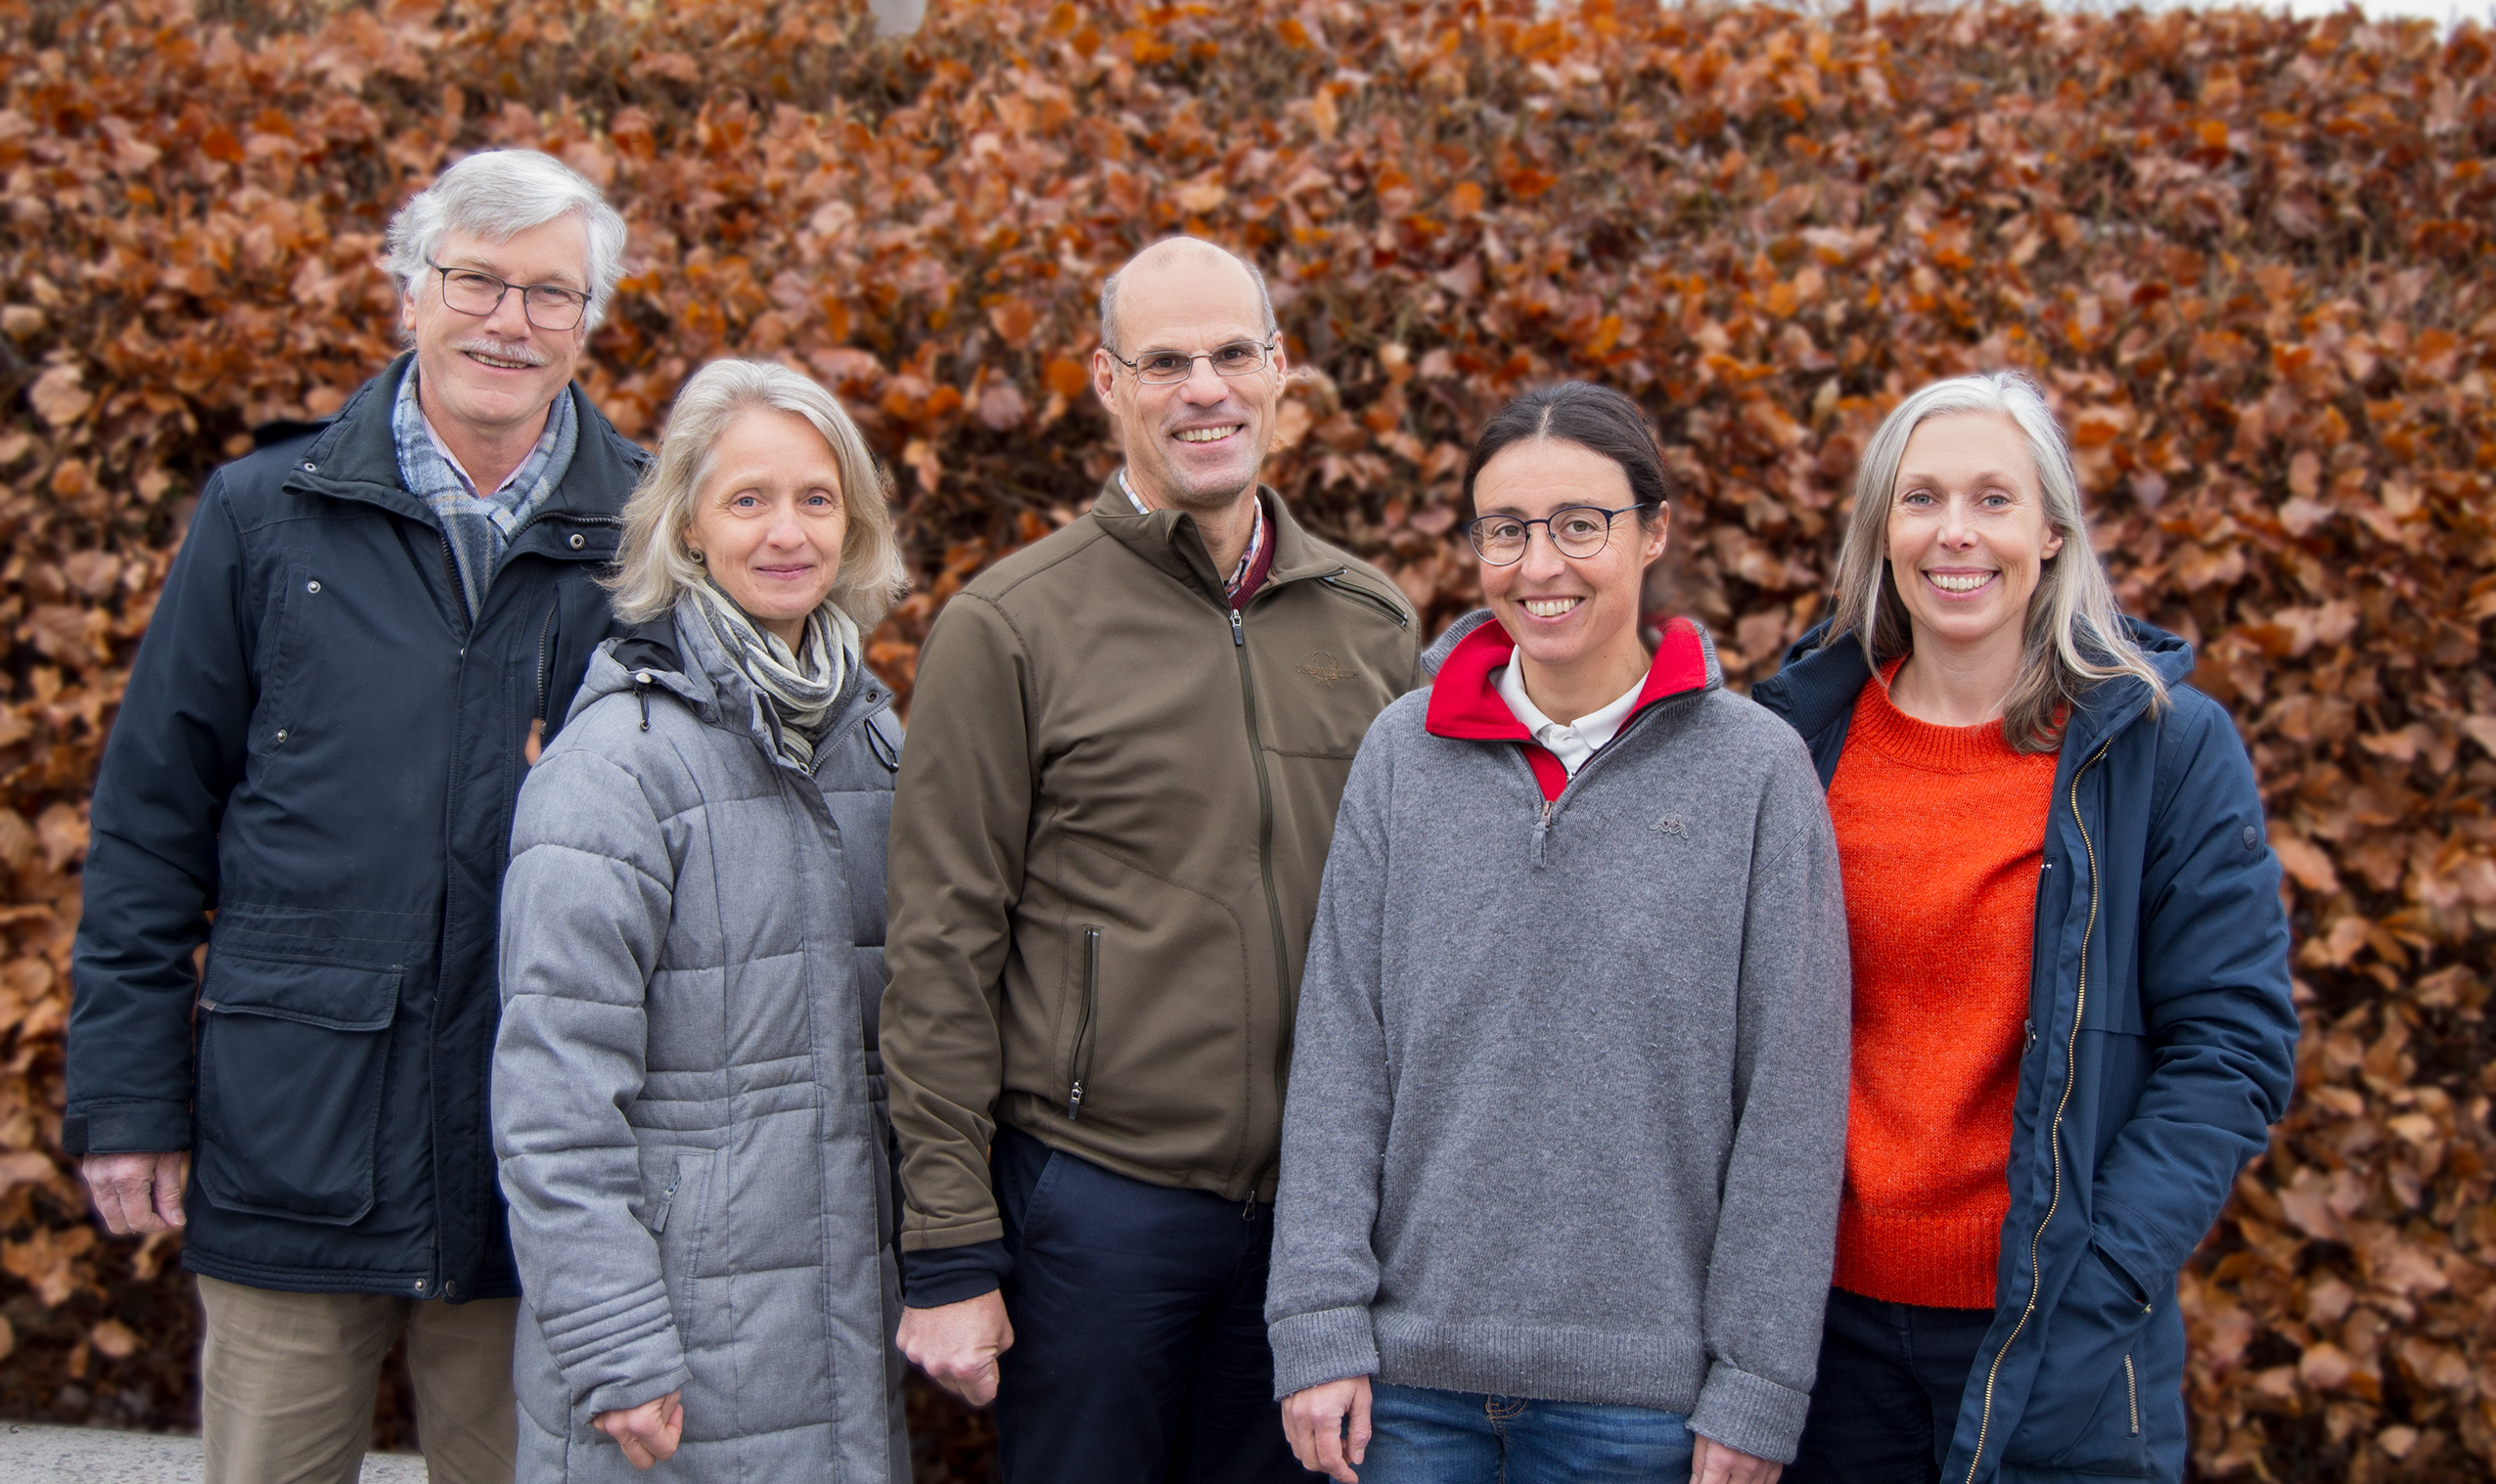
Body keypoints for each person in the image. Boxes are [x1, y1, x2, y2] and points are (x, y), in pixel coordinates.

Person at [64, 150, 646, 1484]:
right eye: (476, 282)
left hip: (537, 1161)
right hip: (293, 1131)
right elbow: (152, 820)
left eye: (549, 295)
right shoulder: (264, 516)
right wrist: (129, 1098)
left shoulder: (651, 534)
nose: (509, 321)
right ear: (409, 295)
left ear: (587, 322)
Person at [882, 236, 1423, 1482]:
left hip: (1314, 1233)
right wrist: (952, 1251)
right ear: (1107, 382)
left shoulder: (1371, 622)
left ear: (1282, 373)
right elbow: (938, 952)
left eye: (1234, 355)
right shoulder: (1008, 627)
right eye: (1165, 362)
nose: (1205, 390)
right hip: (1095, 1211)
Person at [1268, 382, 1851, 1484]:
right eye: (1506, 531)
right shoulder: (1402, 756)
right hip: (1404, 1390)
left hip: (1646, 1409)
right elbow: (1341, 1054)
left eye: (1580, 524)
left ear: (1654, 531)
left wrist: (1758, 1386)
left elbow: (1791, 1100)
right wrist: (1316, 1324)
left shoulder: (1755, 774)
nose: (1540, 566)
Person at [1749, 372, 2297, 1484]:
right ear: (1880, 533)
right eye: (1921, 500)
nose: (1956, 533)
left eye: (1994, 500)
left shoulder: (2162, 746)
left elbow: (2230, 1051)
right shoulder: (1789, 746)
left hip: (2056, 1332)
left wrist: (2099, 1281)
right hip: (1820, 1339)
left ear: (2051, 530)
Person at [492, 358, 913, 1480]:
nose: (788, 533)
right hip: (674, 1355)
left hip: (841, 1332)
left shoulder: (877, 745)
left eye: (816, 499)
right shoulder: (614, 768)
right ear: (685, 527)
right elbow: (552, 1100)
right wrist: (614, 1346)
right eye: (748, 500)